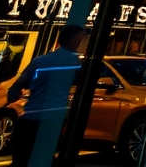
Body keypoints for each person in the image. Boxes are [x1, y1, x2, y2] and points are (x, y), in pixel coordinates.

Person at [7, 25, 88, 167]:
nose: (82, 43)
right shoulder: (76, 64)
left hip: (31, 118)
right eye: (81, 40)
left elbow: (15, 89)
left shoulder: (40, 61)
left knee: (22, 159)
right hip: (52, 121)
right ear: (74, 40)